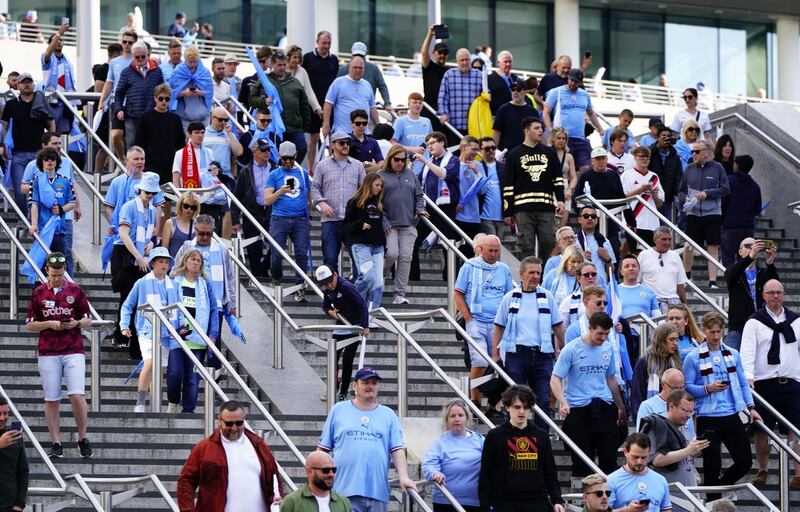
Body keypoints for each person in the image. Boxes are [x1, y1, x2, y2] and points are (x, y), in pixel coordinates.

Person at [683, 312, 760, 501]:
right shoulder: (693, 356)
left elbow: (743, 382)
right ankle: (712, 502)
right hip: (707, 417)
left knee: (744, 461)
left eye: (719, 332)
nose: (716, 336)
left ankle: (716, 491)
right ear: (704, 330)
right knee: (712, 466)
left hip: (731, 414)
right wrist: (707, 389)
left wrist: (751, 407)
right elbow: (687, 387)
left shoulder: (733, 354)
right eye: (712, 332)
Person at [318, 367, 417, 512]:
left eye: (374, 383)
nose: (370, 386)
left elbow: (397, 449)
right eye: (365, 382)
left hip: (377, 493)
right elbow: (322, 450)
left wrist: (404, 477)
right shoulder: (338, 410)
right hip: (343, 492)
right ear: (355, 385)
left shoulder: (388, 415)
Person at [25, 253, 93, 459]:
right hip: (48, 351)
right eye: (54, 274)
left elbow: (88, 319)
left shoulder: (75, 290)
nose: (57, 278)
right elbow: (29, 324)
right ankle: (56, 441)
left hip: (73, 348)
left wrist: (76, 323)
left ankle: (82, 437)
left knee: (76, 395)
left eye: (61, 274)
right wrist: (49, 324)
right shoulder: (38, 293)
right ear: (47, 271)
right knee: (52, 398)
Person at [740, 279, 800, 489]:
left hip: (791, 382)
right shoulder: (754, 322)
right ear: (764, 295)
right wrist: (748, 377)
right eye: (771, 293)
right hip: (764, 384)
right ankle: (762, 469)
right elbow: (746, 353)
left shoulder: (796, 320)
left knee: (796, 428)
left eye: (779, 293)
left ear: (784, 295)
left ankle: (798, 473)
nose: (776, 297)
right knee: (761, 429)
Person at [551, 312, 626, 477]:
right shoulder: (572, 348)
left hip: (603, 405)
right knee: (582, 461)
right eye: (600, 333)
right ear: (590, 328)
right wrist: (563, 402)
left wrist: (619, 406)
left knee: (609, 459)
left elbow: (611, 377)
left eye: (607, 334)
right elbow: (555, 379)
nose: (603, 338)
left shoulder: (607, 347)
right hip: (579, 408)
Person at [493, 257, 565, 430]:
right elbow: (498, 326)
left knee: (543, 398)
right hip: (517, 354)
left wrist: (563, 348)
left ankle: (541, 437)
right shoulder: (509, 297)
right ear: (522, 274)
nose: (535, 276)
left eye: (538, 273)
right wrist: (495, 355)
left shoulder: (547, 297)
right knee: (516, 398)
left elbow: (558, 326)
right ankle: (514, 433)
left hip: (542, 354)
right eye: (531, 272)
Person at [177, 400, 282, 511]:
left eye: (239, 423)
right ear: (219, 420)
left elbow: (274, 477)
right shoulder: (204, 448)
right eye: (229, 423)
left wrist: (276, 498)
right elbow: (186, 481)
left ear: (244, 420)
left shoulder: (258, 445)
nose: (234, 428)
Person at [478, 385, 565, 512]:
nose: (522, 411)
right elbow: (486, 473)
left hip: (537, 502)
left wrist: (557, 500)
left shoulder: (541, 436)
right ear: (508, 407)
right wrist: (485, 505)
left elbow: (550, 473)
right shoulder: (494, 436)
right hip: (505, 503)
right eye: (517, 407)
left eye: (526, 407)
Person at [455, 235, 514, 404]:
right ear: (481, 250)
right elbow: (458, 293)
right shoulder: (469, 266)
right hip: (476, 320)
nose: (493, 254)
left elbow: (508, 296)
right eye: (490, 250)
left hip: (497, 324)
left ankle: (493, 404)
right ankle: (474, 398)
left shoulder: (503, 269)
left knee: (497, 363)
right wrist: (468, 317)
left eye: (496, 251)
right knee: (480, 360)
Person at [174, 215, 238, 373]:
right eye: (201, 233)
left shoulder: (222, 249)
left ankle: (215, 383)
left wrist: (233, 304)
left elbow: (229, 277)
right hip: (190, 303)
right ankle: (191, 375)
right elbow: (175, 271)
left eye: (208, 234)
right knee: (189, 340)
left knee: (214, 344)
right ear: (195, 230)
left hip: (216, 304)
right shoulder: (187, 246)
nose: (204, 237)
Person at [109, 170, 162, 356]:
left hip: (141, 255)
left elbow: (153, 234)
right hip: (125, 254)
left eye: (153, 193)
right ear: (139, 190)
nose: (150, 196)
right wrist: (138, 256)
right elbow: (123, 234)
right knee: (128, 296)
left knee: (141, 298)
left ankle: (135, 342)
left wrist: (150, 244)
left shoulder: (153, 210)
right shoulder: (129, 206)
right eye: (147, 192)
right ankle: (122, 335)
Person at [120, 247, 179, 412]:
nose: (164, 265)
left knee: (159, 367)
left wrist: (180, 327)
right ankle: (140, 401)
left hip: (168, 331)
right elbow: (128, 305)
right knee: (150, 362)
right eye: (160, 261)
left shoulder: (174, 285)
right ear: (153, 263)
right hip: (147, 329)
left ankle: (155, 401)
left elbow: (179, 310)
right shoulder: (142, 282)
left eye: (166, 262)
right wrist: (124, 325)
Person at [502, 116, 565, 259]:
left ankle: (544, 275)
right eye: (536, 128)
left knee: (548, 242)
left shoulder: (549, 153)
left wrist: (560, 199)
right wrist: (508, 211)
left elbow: (558, 179)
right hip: (523, 208)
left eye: (541, 128)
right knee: (526, 245)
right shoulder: (513, 154)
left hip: (546, 207)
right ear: (527, 131)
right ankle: (529, 276)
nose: (541, 131)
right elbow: (508, 185)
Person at [167, 249, 219, 413]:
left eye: (199, 260)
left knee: (192, 378)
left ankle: (188, 411)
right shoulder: (174, 281)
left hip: (198, 338)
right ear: (185, 260)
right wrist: (173, 329)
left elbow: (213, 310)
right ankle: (173, 401)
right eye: (193, 259)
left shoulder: (205, 284)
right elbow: (167, 307)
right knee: (174, 374)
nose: (196, 262)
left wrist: (213, 334)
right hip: (177, 337)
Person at [377, 146, 426, 305]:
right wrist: (383, 221)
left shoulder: (410, 174)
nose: (399, 163)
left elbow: (419, 196)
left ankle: (399, 294)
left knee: (405, 258)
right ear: (389, 159)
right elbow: (375, 202)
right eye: (396, 159)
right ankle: (380, 276)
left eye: (402, 160)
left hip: (408, 223)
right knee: (391, 254)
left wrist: (419, 209)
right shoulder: (380, 176)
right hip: (389, 224)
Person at [313, 131, 366, 274]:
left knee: (358, 261)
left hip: (352, 221)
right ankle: (332, 294)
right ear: (333, 145)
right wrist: (322, 204)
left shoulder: (358, 166)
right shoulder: (322, 165)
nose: (346, 146)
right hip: (330, 220)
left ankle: (356, 294)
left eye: (348, 143)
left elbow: (365, 191)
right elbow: (315, 188)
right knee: (330, 260)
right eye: (342, 143)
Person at [410, 130, 460, 281]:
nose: (430, 146)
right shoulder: (428, 163)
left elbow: (444, 174)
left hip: (446, 209)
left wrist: (425, 161)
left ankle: (450, 280)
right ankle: (413, 279)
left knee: (449, 245)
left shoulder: (453, 160)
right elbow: (418, 182)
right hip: (428, 208)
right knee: (413, 241)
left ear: (442, 143)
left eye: (433, 143)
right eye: (429, 144)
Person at [1, 72, 54, 216]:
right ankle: (24, 220)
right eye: (23, 82)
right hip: (18, 154)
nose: (26, 84)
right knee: (19, 191)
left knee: (40, 190)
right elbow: (4, 126)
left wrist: (50, 143)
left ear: (33, 84)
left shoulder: (41, 102)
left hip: (39, 154)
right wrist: (5, 146)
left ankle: (36, 220)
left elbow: (51, 122)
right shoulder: (11, 105)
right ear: (18, 85)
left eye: (29, 82)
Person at [641, 390, 708, 502]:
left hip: (690, 495)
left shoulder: (685, 428)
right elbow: (657, 460)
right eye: (684, 410)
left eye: (691, 412)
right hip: (669, 498)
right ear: (671, 406)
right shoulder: (657, 427)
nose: (688, 415)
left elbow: (684, 456)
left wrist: (696, 449)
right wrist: (689, 450)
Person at [266, 141, 312, 300]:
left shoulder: (303, 172)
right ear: (279, 157)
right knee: (276, 254)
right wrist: (281, 191)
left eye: (290, 159)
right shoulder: (274, 174)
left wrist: (308, 212)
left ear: (295, 157)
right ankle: (276, 279)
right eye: (284, 159)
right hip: (279, 218)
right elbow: (267, 200)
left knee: (301, 253)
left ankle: (301, 286)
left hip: (300, 219)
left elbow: (308, 195)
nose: (287, 162)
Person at [316, 265, 369, 403]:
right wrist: (331, 313)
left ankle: (344, 391)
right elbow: (326, 306)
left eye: (330, 281)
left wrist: (365, 326)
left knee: (347, 359)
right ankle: (333, 385)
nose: (328, 285)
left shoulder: (346, 286)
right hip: (341, 326)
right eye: (325, 284)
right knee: (333, 357)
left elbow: (362, 305)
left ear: (335, 275)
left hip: (354, 326)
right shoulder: (328, 291)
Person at [680, 139, 729, 288]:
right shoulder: (688, 168)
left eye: (697, 151)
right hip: (693, 213)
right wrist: (685, 201)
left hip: (712, 213)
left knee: (713, 246)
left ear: (706, 152)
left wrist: (708, 194)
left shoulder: (718, 168)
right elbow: (681, 190)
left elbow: (726, 189)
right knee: (688, 245)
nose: (693, 154)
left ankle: (712, 281)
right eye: (692, 151)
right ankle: (687, 277)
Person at [423, 400, 485, 512]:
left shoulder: (479, 440)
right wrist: (435, 473)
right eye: (452, 416)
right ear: (446, 420)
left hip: (475, 502)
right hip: (446, 501)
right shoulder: (440, 442)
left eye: (460, 415)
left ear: (467, 418)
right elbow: (428, 464)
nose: (457, 419)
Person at [250, 51, 311, 163]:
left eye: (284, 64)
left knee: (301, 148)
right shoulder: (265, 81)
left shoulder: (294, 81)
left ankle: (290, 167)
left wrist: (305, 125)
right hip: (274, 128)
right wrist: (263, 101)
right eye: (279, 65)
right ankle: (279, 170)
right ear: (272, 65)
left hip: (294, 126)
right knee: (276, 151)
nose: (282, 68)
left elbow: (304, 104)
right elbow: (251, 99)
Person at [543, 68, 605, 174]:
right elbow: (546, 112)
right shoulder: (556, 92)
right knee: (564, 169)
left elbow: (590, 113)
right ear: (568, 78)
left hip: (580, 138)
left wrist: (600, 129)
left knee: (586, 168)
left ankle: (582, 189)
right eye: (571, 80)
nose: (573, 83)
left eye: (576, 82)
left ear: (580, 83)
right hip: (563, 138)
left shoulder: (584, 94)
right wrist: (549, 129)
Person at [231, 137, 274, 278]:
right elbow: (237, 196)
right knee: (253, 249)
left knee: (276, 244)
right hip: (252, 213)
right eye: (263, 150)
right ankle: (256, 276)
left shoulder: (275, 168)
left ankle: (265, 266)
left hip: (271, 212)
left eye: (268, 150)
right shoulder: (245, 171)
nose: (267, 153)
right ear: (254, 152)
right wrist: (235, 219)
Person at [574, 148, 626, 261]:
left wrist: (631, 220)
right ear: (592, 161)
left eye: (603, 158)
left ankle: (613, 277)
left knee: (614, 251)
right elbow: (577, 198)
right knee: (591, 252)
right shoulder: (585, 176)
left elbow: (622, 197)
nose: (601, 161)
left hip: (611, 219)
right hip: (591, 220)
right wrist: (583, 216)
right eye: (598, 159)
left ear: (607, 159)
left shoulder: (614, 176)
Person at [344, 173, 387, 309]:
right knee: (367, 277)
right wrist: (360, 225)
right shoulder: (354, 202)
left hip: (377, 246)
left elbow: (379, 227)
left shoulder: (378, 203)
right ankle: (354, 306)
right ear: (369, 185)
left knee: (378, 282)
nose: (379, 188)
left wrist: (384, 246)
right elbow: (345, 225)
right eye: (377, 185)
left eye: (381, 186)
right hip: (361, 245)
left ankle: (371, 315)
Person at [725, 238, 777, 351]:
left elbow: (775, 288)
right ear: (740, 251)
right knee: (731, 363)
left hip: (761, 326)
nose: (753, 248)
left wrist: (770, 263)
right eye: (748, 246)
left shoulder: (762, 273)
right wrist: (749, 258)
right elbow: (730, 275)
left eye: (756, 245)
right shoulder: (734, 271)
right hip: (738, 328)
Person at [134, 83, 185, 189]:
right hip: (150, 164)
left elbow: (180, 143)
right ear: (155, 98)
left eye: (167, 99)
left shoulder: (175, 119)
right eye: (161, 98)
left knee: (168, 199)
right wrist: (140, 162)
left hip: (169, 164)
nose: (164, 101)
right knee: (149, 196)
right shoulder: (144, 117)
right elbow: (139, 142)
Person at [114, 41, 164, 147]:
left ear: (147, 55)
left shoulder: (157, 71)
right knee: (133, 147)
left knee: (151, 147)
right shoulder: (126, 72)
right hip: (132, 116)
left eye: (143, 56)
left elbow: (162, 91)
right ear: (133, 56)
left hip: (152, 116)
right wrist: (119, 109)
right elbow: (119, 93)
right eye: (137, 57)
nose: (140, 59)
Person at [302, 31, 339, 172]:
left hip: (329, 105)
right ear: (317, 42)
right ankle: (312, 169)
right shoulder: (308, 58)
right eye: (324, 43)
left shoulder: (334, 60)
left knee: (330, 137)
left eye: (329, 43)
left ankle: (331, 167)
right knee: (313, 138)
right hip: (313, 105)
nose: (326, 46)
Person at [28, 147, 75, 259]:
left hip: (59, 229)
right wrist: (34, 224)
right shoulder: (36, 181)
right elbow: (34, 204)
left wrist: (61, 209)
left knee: (59, 262)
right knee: (42, 263)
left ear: (56, 161)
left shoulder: (65, 181)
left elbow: (72, 202)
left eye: (52, 159)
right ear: (41, 162)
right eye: (46, 159)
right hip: (43, 229)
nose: (49, 161)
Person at [98, 31, 137, 161]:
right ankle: (122, 159)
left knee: (132, 138)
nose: (126, 45)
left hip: (134, 103)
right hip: (118, 102)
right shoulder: (115, 62)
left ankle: (132, 161)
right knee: (115, 135)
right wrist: (102, 100)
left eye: (130, 42)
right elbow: (109, 83)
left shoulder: (138, 60)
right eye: (124, 42)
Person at [606, 433, 672, 512]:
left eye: (644, 457)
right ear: (625, 452)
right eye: (635, 457)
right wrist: (627, 510)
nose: (639, 461)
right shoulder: (611, 481)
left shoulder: (661, 480)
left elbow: (666, 509)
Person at [631, 324, 682, 418]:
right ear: (661, 340)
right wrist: (640, 419)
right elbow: (637, 394)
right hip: (651, 415)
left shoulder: (675, 361)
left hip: (673, 415)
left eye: (677, 339)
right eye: (671, 339)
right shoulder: (644, 362)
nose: (675, 343)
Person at [720, 155, 761, 269]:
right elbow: (757, 209)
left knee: (728, 259)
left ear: (737, 165)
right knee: (746, 259)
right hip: (748, 227)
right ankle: (744, 283)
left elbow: (722, 202)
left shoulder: (729, 181)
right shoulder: (755, 186)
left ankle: (732, 282)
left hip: (730, 226)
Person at [621, 146, 664, 253]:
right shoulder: (627, 175)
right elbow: (623, 198)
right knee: (635, 252)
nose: (644, 159)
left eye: (647, 157)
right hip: (633, 219)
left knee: (650, 253)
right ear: (635, 158)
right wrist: (641, 189)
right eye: (641, 156)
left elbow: (659, 204)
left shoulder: (654, 177)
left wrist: (654, 195)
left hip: (651, 222)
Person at [323, 56, 379, 137]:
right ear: (349, 67)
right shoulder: (338, 82)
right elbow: (328, 104)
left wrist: (378, 125)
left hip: (363, 133)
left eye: (360, 68)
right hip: (342, 132)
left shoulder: (367, 84)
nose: (358, 70)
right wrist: (326, 124)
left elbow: (372, 107)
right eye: (355, 67)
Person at [437, 48, 483, 145]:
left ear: (470, 60)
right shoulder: (449, 74)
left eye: (467, 59)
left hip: (474, 125)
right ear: (457, 61)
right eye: (462, 60)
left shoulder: (479, 75)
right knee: (456, 154)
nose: (465, 62)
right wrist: (443, 113)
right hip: (454, 125)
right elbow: (442, 97)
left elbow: (486, 96)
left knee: (472, 155)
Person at [280, 450, 352, 512]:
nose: (331, 474)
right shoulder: (292, 502)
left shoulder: (343, 502)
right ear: (310, 471)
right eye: (325, 470)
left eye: (334, 470)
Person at [638, 226, 688, 313]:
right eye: (664, 239)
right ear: (655, 240)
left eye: (669, 239)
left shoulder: (675, 256)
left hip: (673, 302)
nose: (667, 242)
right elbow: (637, 281)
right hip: (651, 301)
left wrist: (684, 304)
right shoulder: (643, 255)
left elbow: (680, 284)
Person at [40, 21, 76, 133]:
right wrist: (59, 33)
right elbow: (47, 54)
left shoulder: (68, 63)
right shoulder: (47, 59)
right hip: (51, 100)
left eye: (61, 40)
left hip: (66, 101)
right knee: (52, 132)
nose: (59, 42)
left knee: (64, 133)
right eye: (56, 40)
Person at [336, 42, 392, 111]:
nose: (359, 57)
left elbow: (382, 86)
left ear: (365, 55)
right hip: (347, 110)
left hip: (368, 110)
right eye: (356, 55)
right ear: (351, 54)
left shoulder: (373, 69)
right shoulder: (343, 70)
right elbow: (335, 92)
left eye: (361, 55)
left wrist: (387, 103)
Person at [169, 46, 214, 130]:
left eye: (195, 62)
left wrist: (200, 92)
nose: (193, 64)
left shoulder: (204, 72)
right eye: (190, 62)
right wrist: (183, 93)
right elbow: (170, 93)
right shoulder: (178, 72)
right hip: (184, 119)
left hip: (203, 118)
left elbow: (210, 93)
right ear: (185, 60)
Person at [635, 368, 689, 432]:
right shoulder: (647, 406)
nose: (680, 392)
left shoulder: (686, 404)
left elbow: (691, 432)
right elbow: (642, 437)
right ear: (663, 384)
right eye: (676, 388)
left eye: (682, 387)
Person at [647, 125, 683, 222]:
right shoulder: (651, 153)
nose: (666, 138)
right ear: (658, 137)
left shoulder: (675, 157)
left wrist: (677, 193)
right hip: (651, 198)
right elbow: (645, 158)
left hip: (667, 199)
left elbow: (678, 177)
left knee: (664, 227)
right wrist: (658, 146)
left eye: (668, 136)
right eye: (663, 136)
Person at [574, 205, 616, 284]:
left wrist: (608, 259)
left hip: (599, 286)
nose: (590, 218)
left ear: (596, 220)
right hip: (578, 286)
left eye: (593, 216)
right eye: (586, 216)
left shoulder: (604, 242)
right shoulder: (573, 241)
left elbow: (611, 271)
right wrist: (580, 259)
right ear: (579, 220)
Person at [0, 396, 29, 511]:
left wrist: (19, 504)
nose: (2, 418)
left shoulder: (14, 437)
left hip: (8, 505)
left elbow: (23, 471)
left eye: (5, 413)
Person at [204, 106, 244, 184]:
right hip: (207, 175)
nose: (223, 122)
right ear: (212, 118)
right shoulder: (203, 133)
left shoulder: (230, 135)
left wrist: (229, 133)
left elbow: (239, 152)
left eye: (226, 120)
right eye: (220, 119)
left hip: (226, 176)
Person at [492, 82, 537, 152]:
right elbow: (496, 133)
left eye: (518, 90)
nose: (515, 92)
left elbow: (538, 133)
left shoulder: (532, 111)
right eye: (513, 90)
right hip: (507, 153)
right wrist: (494, 151)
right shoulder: (503, 109)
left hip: (527, 153)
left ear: (525, 92)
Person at [617, 255, 660, 322]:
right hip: (622, 331)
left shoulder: (649, 292)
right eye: (627, 266)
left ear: (639, 269)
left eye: (634, 266)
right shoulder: (614, 291)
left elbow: (657, 318)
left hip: (644, 331)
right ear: (621, 271)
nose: (631, 268)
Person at [172, 121, 214, 188]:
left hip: (207, 192)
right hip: (188, 193)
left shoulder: (209, 152)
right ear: (189, 134)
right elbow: (176, 175)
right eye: (197, 132)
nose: (200, 135)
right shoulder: (180, 153)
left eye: (202, 132)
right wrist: (179, 195)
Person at [549, 128, 577, 227]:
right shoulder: (547, 153)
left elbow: (573, 177)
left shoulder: (568, 156)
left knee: (562, 223)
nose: (561, 140)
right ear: (553, 139)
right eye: (559, 138)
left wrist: (570, 189)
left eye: (563, 138)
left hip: (564, 186)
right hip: (550, 186)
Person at [391, 92, 432, 160]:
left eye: (420, 103)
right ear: (408, 104)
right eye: (415, 102)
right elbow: (392, 142)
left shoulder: (427, 121)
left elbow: (431, 142)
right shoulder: (400, 121)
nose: (417, 105)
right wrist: (412, 149)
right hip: (407, 164)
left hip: (425, 164)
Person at [477, 137, 504, 235]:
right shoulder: (477, 167)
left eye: (493, 147)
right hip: (484, 216)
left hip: (501, 216)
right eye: (487, 149)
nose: (491, 151)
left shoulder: (503, 168)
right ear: (480, 151)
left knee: (497, 247)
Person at [558, 262, 599, 328]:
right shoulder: (568, 301)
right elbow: (563, 328)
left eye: (593, 274)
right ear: (579, 278)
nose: (591, 277)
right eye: (586, 275)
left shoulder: (605, 297)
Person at [161, 191, 198, 258]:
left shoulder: (197, 225)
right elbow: (164, 250)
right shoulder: (170, 223)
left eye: (193, 207)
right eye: (186, 206)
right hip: (174, 265)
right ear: (180, 205)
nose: (189, 209)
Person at [486, 50, 521, 115]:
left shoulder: (516, 79)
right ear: (498, 63)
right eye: (505, 62)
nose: (508, 64)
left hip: (514, 114)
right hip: (496, 116)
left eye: (510, 62)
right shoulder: (490, 79)